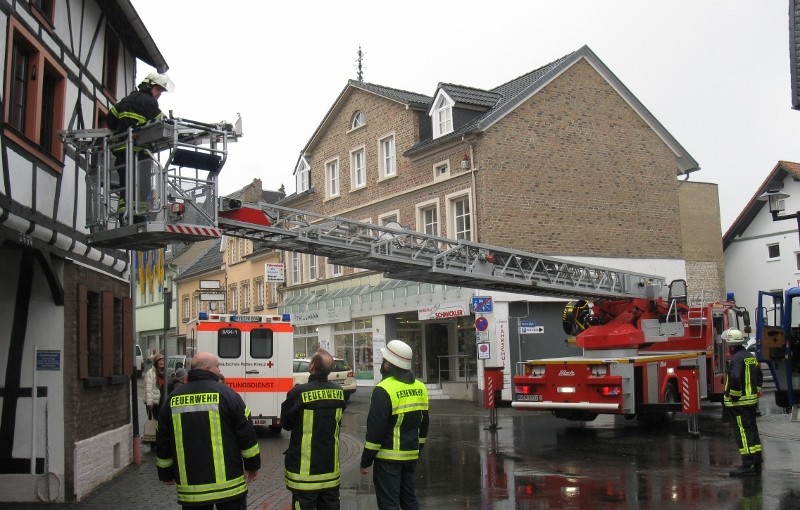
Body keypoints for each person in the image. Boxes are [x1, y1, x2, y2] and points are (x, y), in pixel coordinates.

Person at [156, 351, 260, 509]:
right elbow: (246, 434)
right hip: (229, 486)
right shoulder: (228, 395)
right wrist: (252, 466)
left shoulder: (173, 399)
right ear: (207, 369)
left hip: (192, 489)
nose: (219, 370)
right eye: (217, 366)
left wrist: (166, 473)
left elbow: (163, 439)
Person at [360, 340, 429, 510]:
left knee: (389, 504)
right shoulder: (420, 387)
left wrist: (366, 460)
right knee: (409, 500)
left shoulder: (383, 389)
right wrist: (417, 449)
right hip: (411, 455)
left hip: (388, 459)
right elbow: (424, 424)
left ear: (389, 364)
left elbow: (375, 431)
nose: (382, 364)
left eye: (384, 360)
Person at [281, 349, 347, 509]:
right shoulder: (339, 392)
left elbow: (286, 424)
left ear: (311, 367)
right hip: (330, 471)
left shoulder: (297, 393)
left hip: (304, 475)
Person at [105, 72, 173, 220]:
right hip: (138, 151)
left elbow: (110, 119)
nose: (159, 94)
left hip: (121, 151)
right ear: (148, 86)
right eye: (158, 90)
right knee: (143, 184)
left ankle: (124, 212)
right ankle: (140, 215)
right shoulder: (149, 101)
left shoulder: (124, 101)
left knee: (126, 183)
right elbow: (162, 121)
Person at [723, 328, 764, 476]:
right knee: (752, 431)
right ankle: (757, 462)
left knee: (743, 433)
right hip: (751, 402)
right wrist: (756, 391)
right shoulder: (750, 356)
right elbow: (759, 375)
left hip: (739, 405)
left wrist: (734, 396)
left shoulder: (737, 358)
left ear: (730, 344)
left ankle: (747, 465)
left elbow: (734, 378)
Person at [144, 353, 165, 449]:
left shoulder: (163, 373)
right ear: (156, 362)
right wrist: (149, 403)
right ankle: (153, 442)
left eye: (162, 360)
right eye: (159, 360)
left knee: (159, 422)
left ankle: (157, 440)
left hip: (161, 401)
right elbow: (148, 389)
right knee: (154, 422)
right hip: (154, 403)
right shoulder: (150, 373)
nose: (161, 362)